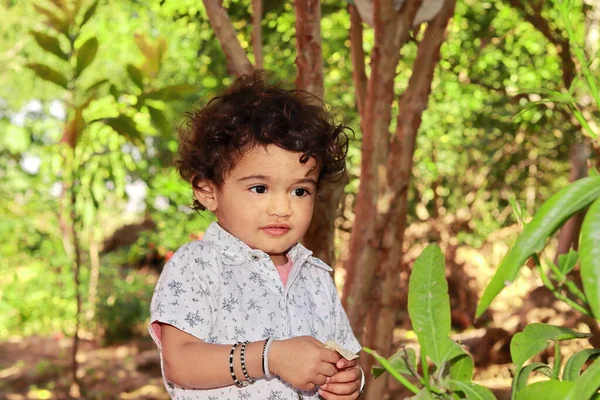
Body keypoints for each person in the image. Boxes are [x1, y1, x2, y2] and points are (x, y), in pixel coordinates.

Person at [149, 71, 364, 400]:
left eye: (300, 191)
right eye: (260, 188)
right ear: (208, 192)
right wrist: (270, 357)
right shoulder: (198, 265)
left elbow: (342, 358)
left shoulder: (316, 277)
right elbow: (179, 362)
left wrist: (347, 381)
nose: (282, 208)